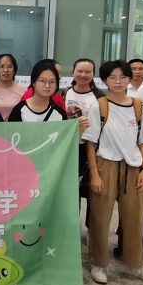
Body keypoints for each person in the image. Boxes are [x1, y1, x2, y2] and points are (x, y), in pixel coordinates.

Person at [83, 60, 143, 285]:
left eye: (122, 77)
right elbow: (90, 143)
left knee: (135, 218)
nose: (117, 81)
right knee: (100, 218)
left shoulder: (138, 106)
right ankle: (98, 262)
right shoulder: (99, 106)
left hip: (133, 168)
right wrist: (94, 173)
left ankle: (136, 264)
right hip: (105, 165)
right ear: (105, 81)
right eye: (112, 77)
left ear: (129, 79)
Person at [62, 59, 107, 231]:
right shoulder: (66, 92)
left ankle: (90, 228)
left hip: (90, 148)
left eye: (87, 72)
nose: (83, 75)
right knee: (72, 189)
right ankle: (73, 227)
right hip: (69, 147)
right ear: (73, 72)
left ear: (93, 74)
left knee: (91, 190)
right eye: (79, 71)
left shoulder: (100, 97)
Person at [10, 62, 88, 135]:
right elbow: (10, 139)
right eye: (42, 81)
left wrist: (80, 130)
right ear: (33, 82)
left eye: (52, 82)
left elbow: (66, 142)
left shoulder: (59, 113)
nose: (47, 86)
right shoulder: (20, 110)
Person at [0, 53, 27, 121]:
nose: (5, 70)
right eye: (1, 66)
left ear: (14, 70)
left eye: (9, 66)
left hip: (16, 127)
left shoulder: (23, 90)